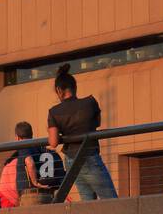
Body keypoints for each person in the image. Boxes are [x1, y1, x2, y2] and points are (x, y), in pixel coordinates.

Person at [47, 63, 117, 201]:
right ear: (75, 87)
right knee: (111, 200)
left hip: (71, 160)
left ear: (59, 90)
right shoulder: (90, 102)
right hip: (90, 156)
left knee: (87, 202)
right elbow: (97, 123)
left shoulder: (54, 112)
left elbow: (53, 142)